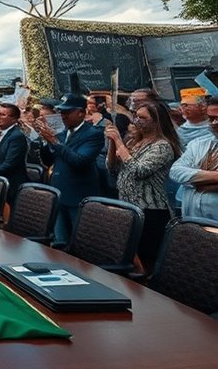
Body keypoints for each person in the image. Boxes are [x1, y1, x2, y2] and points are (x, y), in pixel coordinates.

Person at [104, 100, 179, 271]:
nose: (136, 121)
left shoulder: (162, 146)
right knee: (127, 257)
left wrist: (119, 143)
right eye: (136, 116)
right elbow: (112, 169)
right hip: (128, 206)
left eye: (142, 118)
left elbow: (139, 171)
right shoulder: (133, 141)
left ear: (156, 121)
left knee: (145, 261)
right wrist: (112, 143)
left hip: (151, 211)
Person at [35, 93, 105, 245]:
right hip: (59, 194)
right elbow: (48, 161)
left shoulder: (93, 134)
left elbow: (79, 161)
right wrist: (45, 142)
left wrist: (55, 142)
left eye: (67, 112)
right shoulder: (61, 134)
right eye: (61, 112)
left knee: (80, 243)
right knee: (59, 242)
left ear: (80, 112)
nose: (63, 116)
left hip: (78, 197)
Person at [169, 96, 218, 221]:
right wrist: (214, 177)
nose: (214, 123)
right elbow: (176, 171)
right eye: (211, 119)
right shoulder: (198, 144)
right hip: (193, 220)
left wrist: (195, 178)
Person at [0, 103, 30, 205]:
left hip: (10, 184)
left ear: (14, 119)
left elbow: (10, 163)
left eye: (3, 114)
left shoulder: (17, 136)